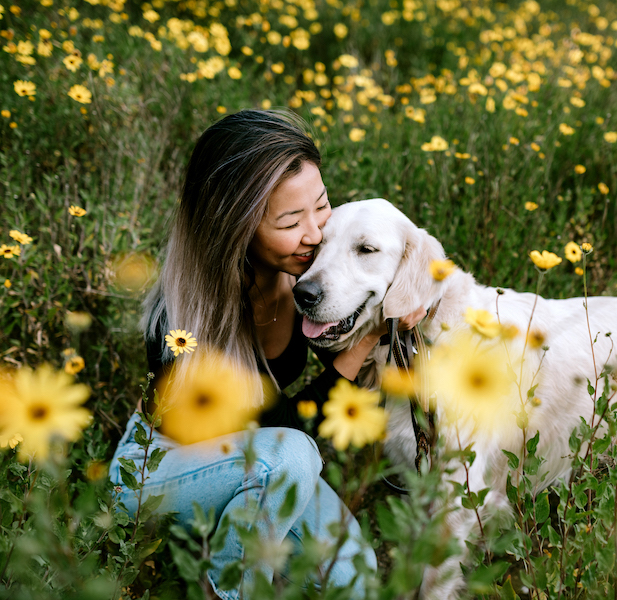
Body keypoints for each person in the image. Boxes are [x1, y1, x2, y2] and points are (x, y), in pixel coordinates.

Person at [108, 109, 424, 599]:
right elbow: (283, 433)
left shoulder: (309, 271)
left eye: (321, 206)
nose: (316, 232)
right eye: (292, 221)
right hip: (159, 469)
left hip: (268, 461)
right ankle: (228, 589)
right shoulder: (182, 322)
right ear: (236, 225)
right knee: (292, 457)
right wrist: (360, 344)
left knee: (355, 575)